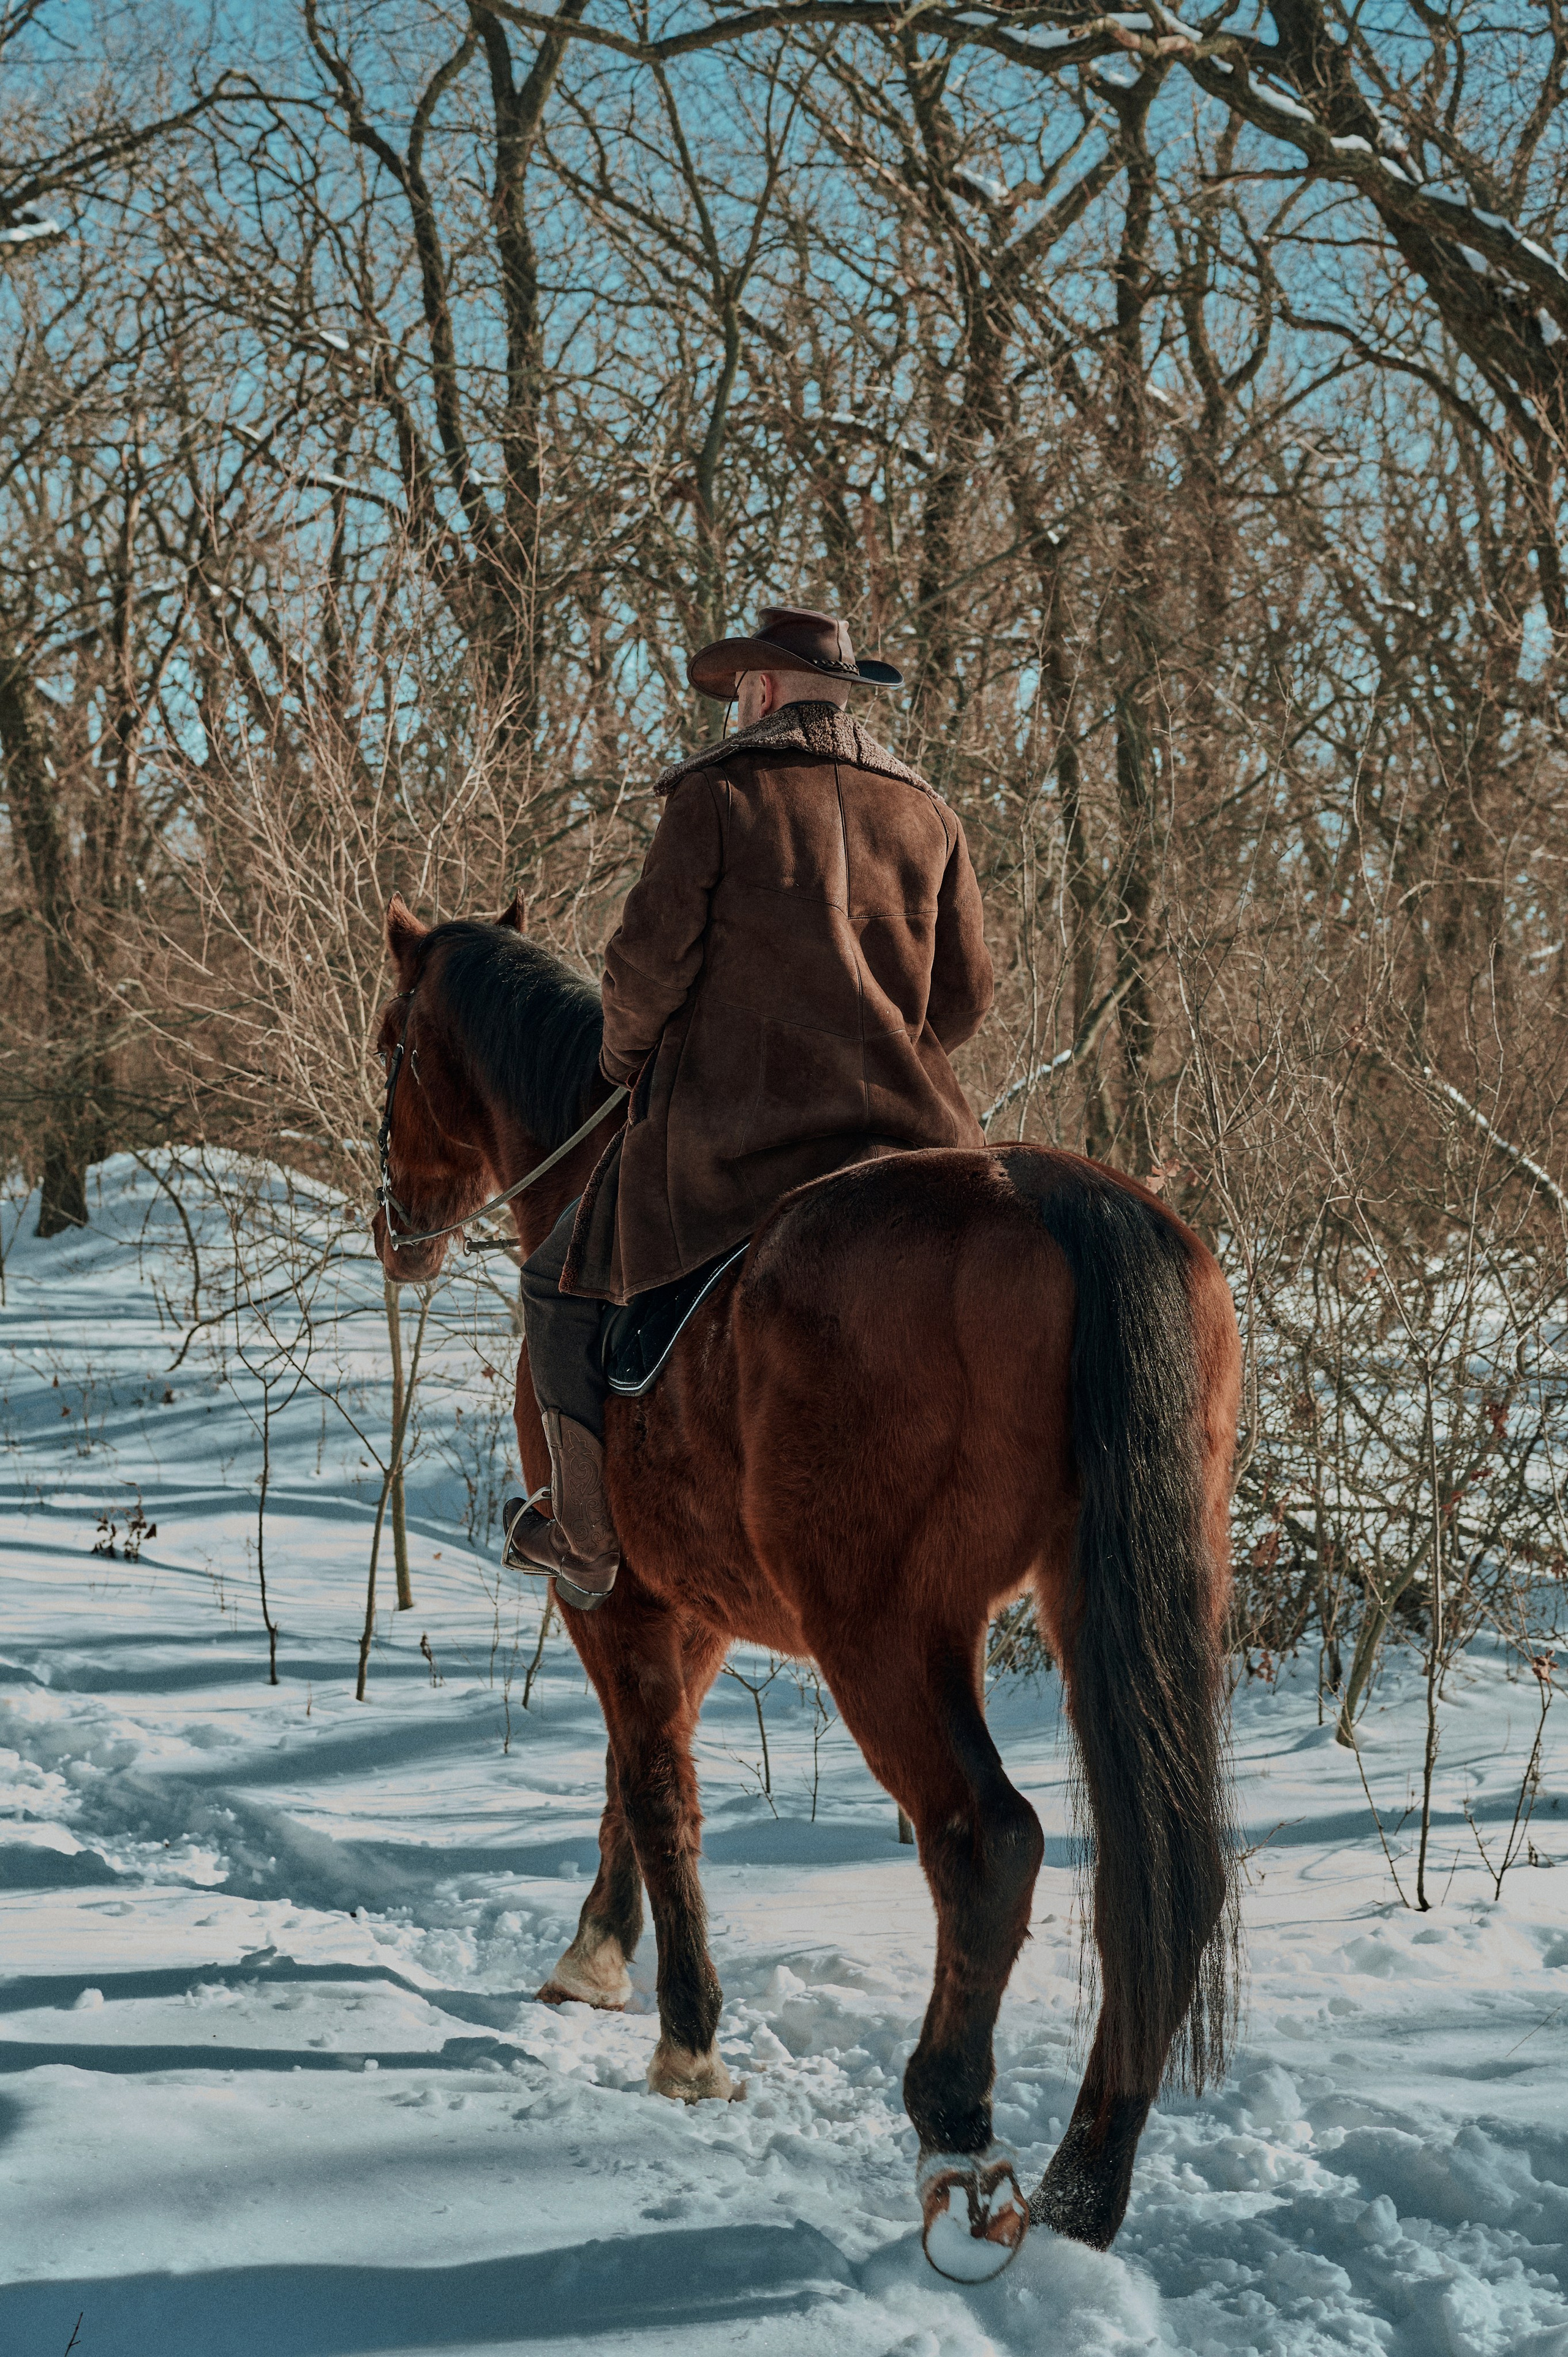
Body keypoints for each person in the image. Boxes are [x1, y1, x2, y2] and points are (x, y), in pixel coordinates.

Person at [503, 603, 993, 1608]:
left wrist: (624, 1058)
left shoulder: (718, 798)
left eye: (736, 694)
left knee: (555, 1287)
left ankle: (586, 1535)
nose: (733, 710)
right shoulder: (930, 818)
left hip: (732, 1151)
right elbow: (965, 1000)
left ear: (761, 691)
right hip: (911, 1148)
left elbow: (643, 973)